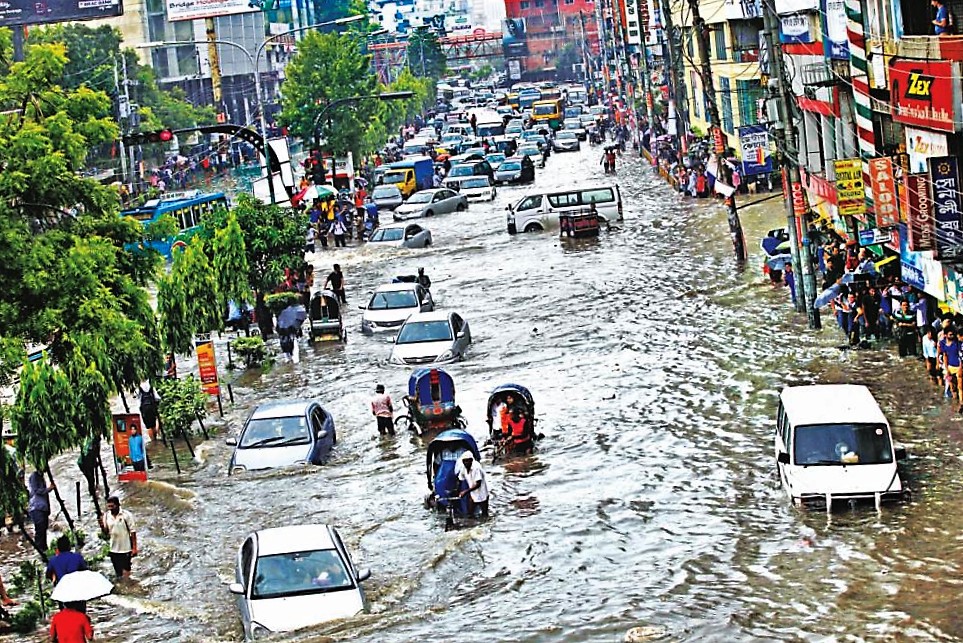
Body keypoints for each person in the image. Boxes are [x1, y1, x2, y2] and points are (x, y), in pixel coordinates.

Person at [100, 496, 137, 580]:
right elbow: (106, 533)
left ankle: (127, 583)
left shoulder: (126, 515)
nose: (111, 509)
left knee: (126, 569)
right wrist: (102, 526)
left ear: (118, 505)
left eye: (112, 506)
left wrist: (134, 548)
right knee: (117, 571)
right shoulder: (106, 516)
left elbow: (133, 531)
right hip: (113, 548)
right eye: (109, 507)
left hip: (125, 548)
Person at [28, 470, 54, 553]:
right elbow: (36, 490)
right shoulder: (34, 476)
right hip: (37, 507)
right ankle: (40, 552)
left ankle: (44, 550)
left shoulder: (40, 477)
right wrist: (49, 489)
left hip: (42, 508)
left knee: (43, 530)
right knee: (40, 531)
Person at [456, 452, 489, 518]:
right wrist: (457, 490)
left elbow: (478, 484)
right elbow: (460, 479)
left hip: (482, 493)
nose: (466, 463)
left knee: (484, 514)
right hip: (473, 493)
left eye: (468, 461)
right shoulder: (463, 468)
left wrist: (465, 492)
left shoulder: (476, 468)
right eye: (464, 461)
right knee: (470, 513)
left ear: (471, 460)